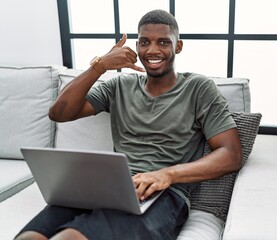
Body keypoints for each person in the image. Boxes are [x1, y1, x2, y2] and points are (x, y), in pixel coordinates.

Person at [15, 9, 242, 240]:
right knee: (30, 237)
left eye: (163, 42)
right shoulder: (119, 86)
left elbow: (230, 154)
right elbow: (59, 113)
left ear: (179, 46)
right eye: (145, 42)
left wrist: (167, 174)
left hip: (164, 194)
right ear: (137, 46)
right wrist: (99, 65)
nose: (152, 50)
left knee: (71, 237)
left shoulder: (199, 88)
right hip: (105, 187)